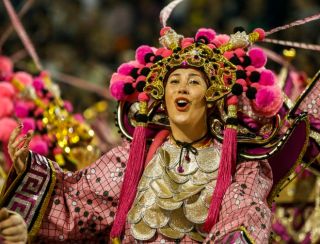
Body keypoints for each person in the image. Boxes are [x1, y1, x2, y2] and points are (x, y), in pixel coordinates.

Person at [1, 2, 305, 243]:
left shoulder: (242, 167)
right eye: (174, 81)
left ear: (213, 97)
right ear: (161, 94)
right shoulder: (131, 158)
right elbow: (76, 207)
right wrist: (27, 189)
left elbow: (243, 219)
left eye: (193, 82)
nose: (182, 89)